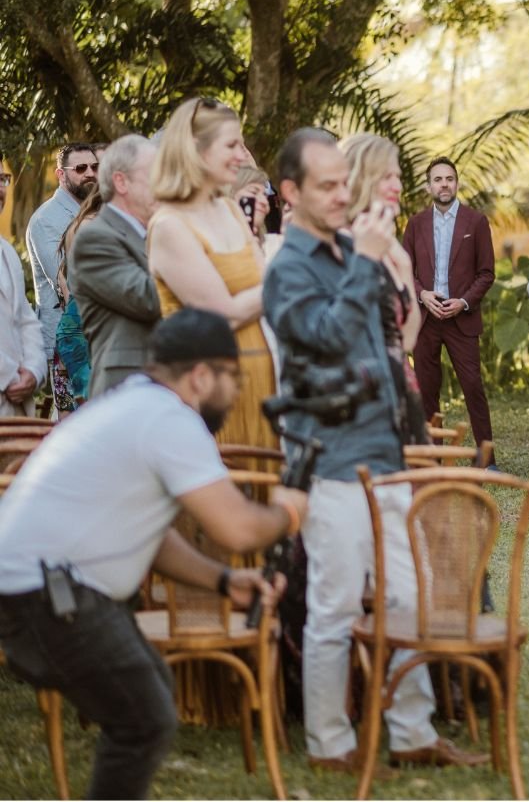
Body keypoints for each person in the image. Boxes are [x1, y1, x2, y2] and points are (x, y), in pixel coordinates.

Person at [0, 309, 306, 800]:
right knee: (144, 718)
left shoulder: (131, 405)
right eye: (234, 378)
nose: (239, 392)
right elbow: (238, 528)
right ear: (202, 375)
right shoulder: (171, 418)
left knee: (151, 694)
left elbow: (156, 536)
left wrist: (224, 582)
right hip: (42, 591)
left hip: (41, 585)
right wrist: (292, 512)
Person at [264, 128, 484, 775]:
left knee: (407, 596)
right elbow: (325, 342)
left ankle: (411, 730)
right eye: (327, 187)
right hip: (330, 458)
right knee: (334, 605)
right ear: (291, 193)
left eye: (342, 183)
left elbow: (386, 347)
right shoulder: (289, 267)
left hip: (385, 450)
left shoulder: (350, 252)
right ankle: (330, 743)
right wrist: (368, 261)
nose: (341, 196)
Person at [147, 97, 276, 449]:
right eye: (232, 145)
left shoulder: (232, 212)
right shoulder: (171, 226)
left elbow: (264, 280)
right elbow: (223, 316)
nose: (242, 155)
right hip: (209, 392)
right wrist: (282, 283)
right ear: (195, 151)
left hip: (263, 379)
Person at [401, 157, 496, 459]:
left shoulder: (476, 222)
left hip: (461, 317)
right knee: (427, 391)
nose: (444, 184)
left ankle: (486, 458)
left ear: (456, 183)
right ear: (429, 185)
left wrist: (463, 302)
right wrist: (422, 294)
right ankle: (432, 458)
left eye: (449, 179)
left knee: (473, 388)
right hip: (426, 317)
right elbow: (405, 270)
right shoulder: (415, 224)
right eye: (438, 179)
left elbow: (486, 273)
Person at [342, 133, 426, 445]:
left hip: (398, 382)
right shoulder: (340, 239)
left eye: (398, 177)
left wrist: (403, 265)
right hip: (357, 391)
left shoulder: (389, 246)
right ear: (359, 176)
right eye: (386, 176)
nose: (397, 186)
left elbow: (408, 336)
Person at [69, 136, 161, 397]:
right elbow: (148, 298)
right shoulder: (95, 238)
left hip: (165, 384)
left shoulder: (153, 233)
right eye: (154, 175)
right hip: (125, 384)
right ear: (121, 182)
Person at [25, 142, 98, 397]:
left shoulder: (94, 213)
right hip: (68, 344)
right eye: (80, 168)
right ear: (60, 174)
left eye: (94, 166)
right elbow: (66, 285)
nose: (90, 173)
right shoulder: (46, 220)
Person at [53, 187, 104, 408]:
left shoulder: (83, 221)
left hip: (74, 328)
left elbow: (65, 283)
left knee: (75, 415)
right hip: (80, 332)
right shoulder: (91, 224)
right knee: (91, 410)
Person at [0, 159, 44, 416]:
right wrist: (9, 376)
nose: (1, 190)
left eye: (2, 180)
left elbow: (26, 319)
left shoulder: (7, 251)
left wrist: (34, 370)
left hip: (16, 406)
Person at [231, 165, 272, 244]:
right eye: (253, 192)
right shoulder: (212, 239)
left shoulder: (272, 245)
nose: (265, 202)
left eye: (265, 195)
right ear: (231, 194)